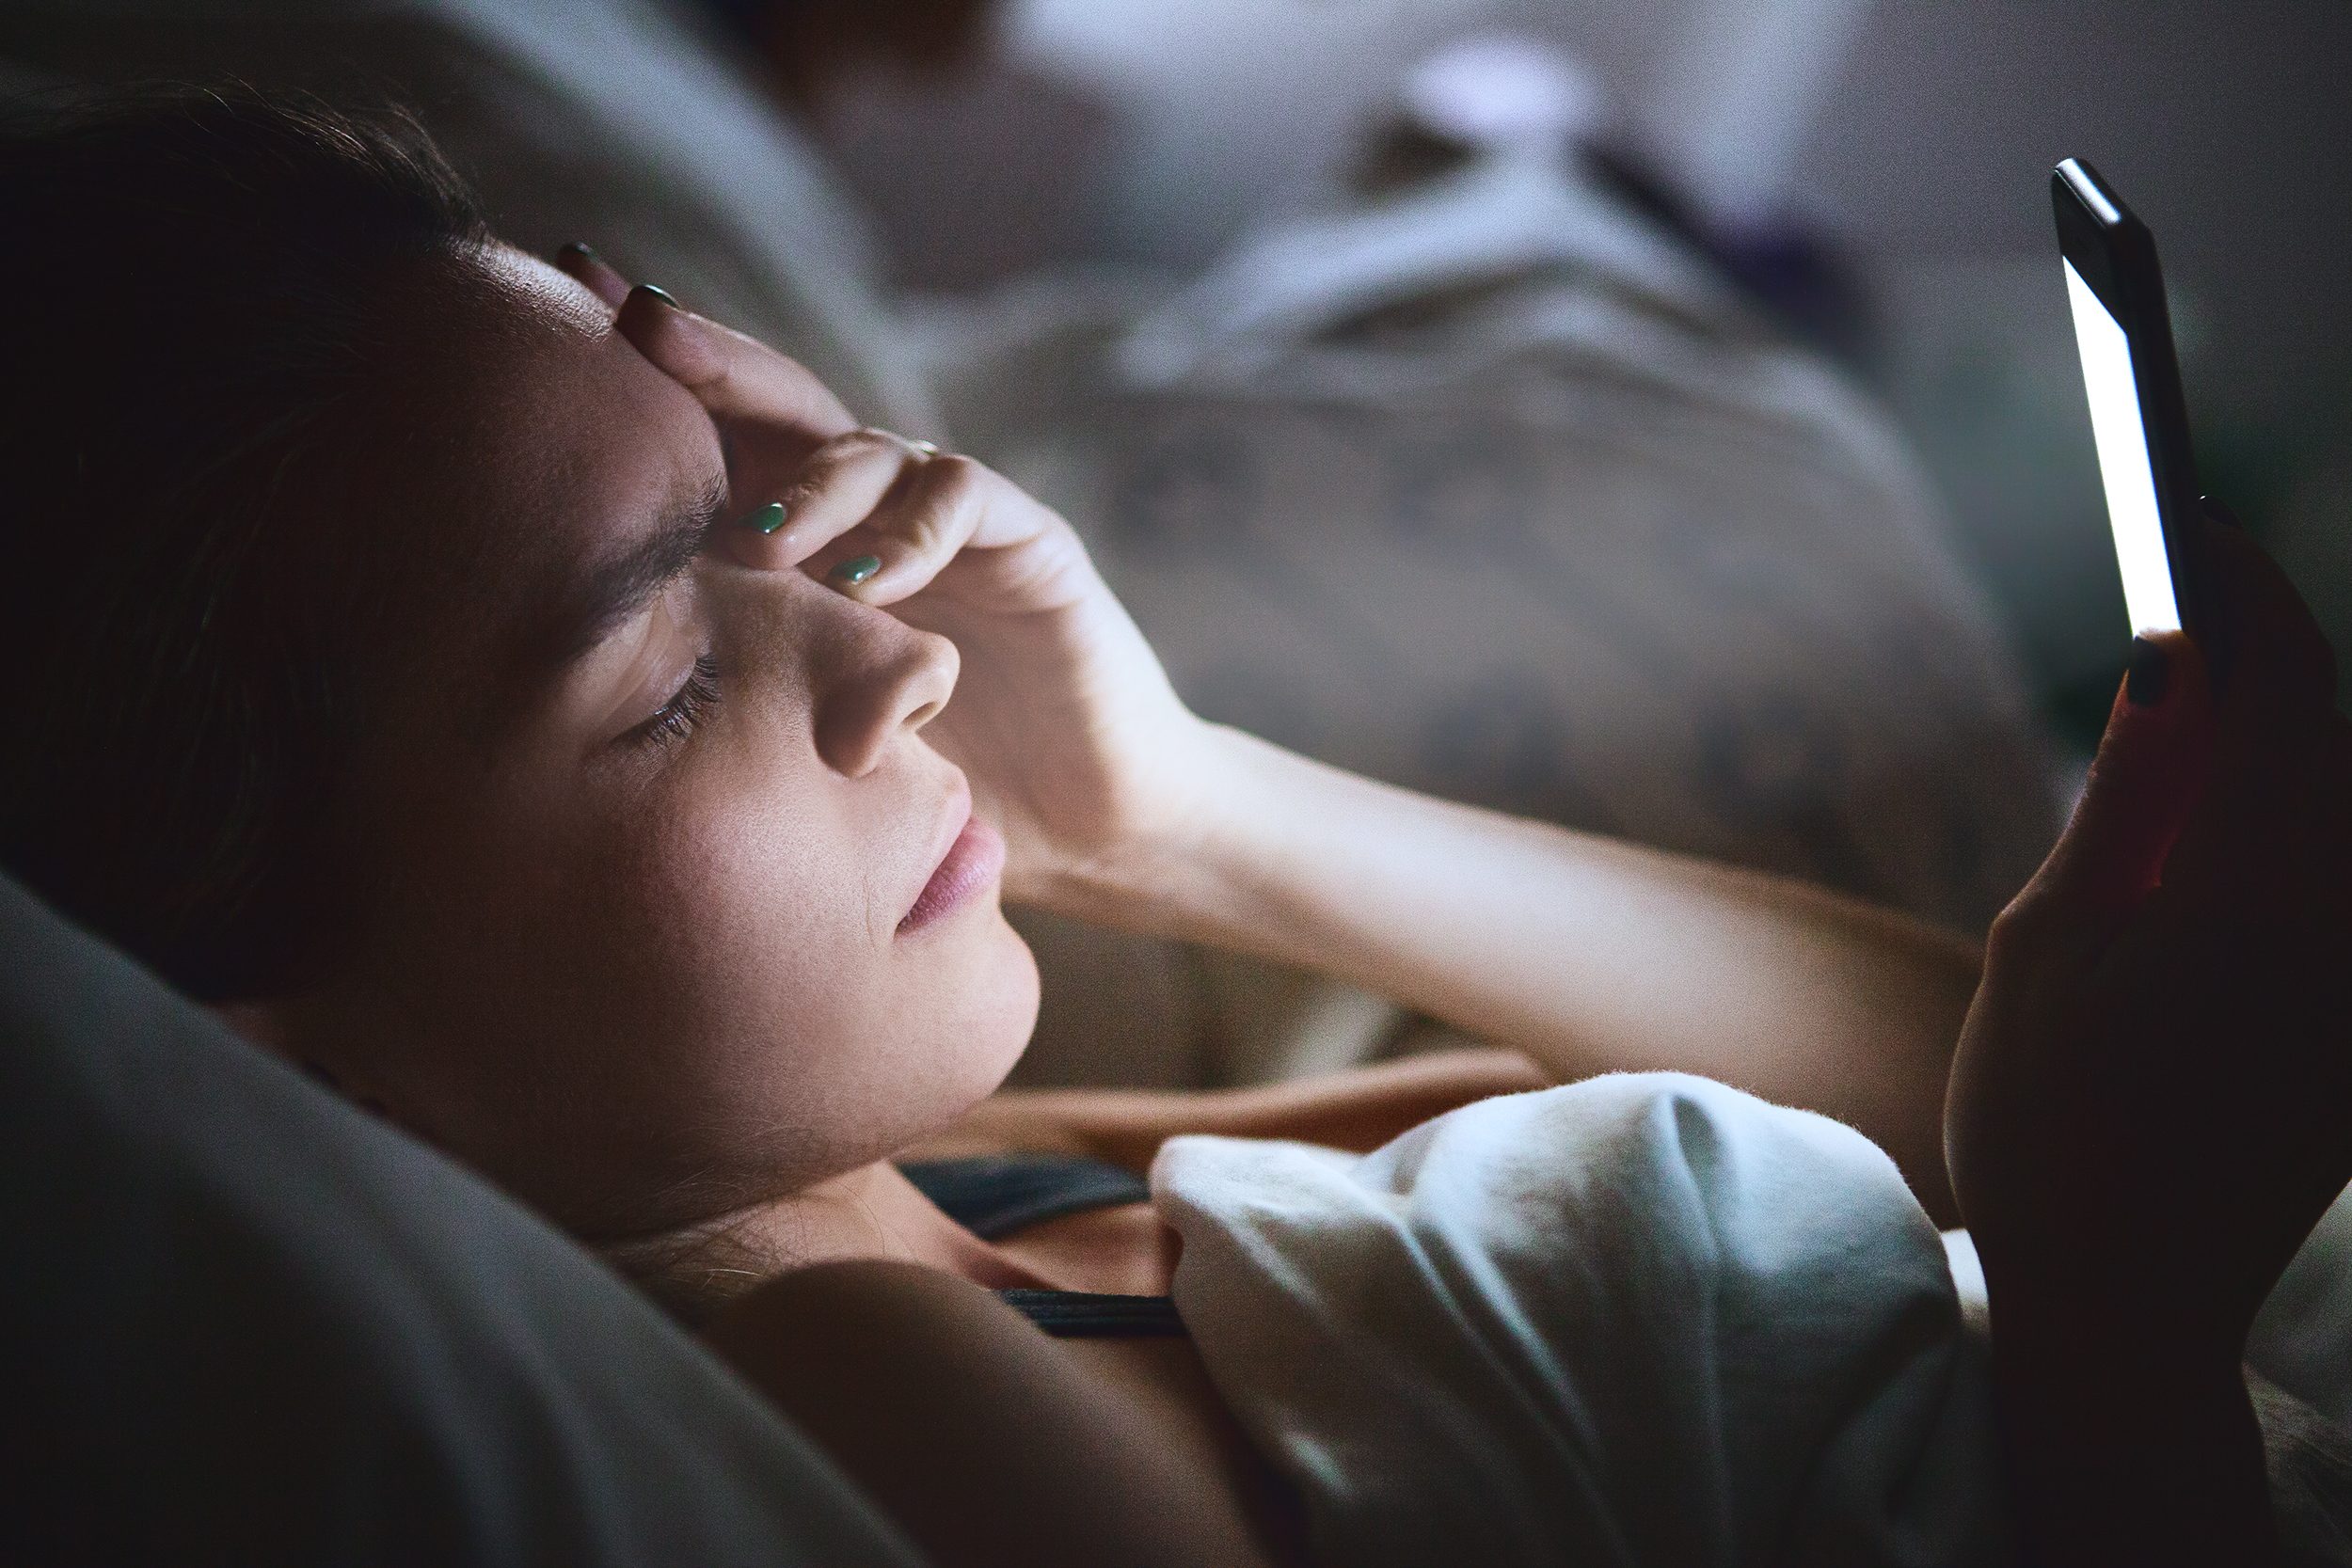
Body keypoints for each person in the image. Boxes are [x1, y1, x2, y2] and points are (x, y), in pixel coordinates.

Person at [4, 90, 2349, 1567]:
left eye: (754, 520)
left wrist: (1170, 817)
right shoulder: (857, 1403)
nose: (894, 654)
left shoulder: (937, 1193)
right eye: (677, 669)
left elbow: (1951, 1105)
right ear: (286, 1058)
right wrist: (2114, 1351)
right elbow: (2047, 1224)